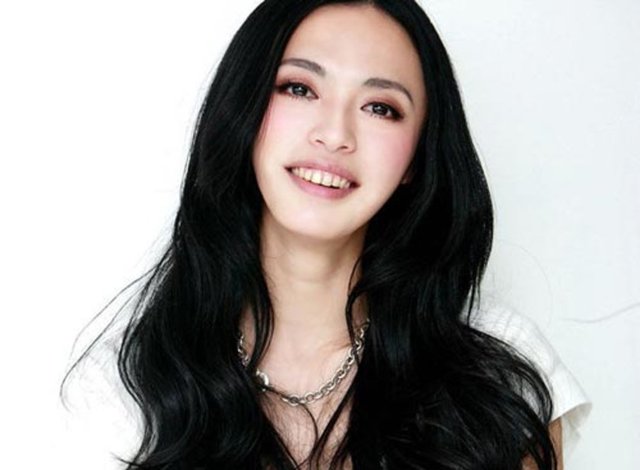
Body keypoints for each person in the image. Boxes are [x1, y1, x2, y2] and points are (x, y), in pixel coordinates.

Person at [65, 0, 590, 468]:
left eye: (381, 108)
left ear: (416, 157)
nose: (335, 134)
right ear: (245, 110)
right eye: (299, 88)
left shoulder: (499, 373)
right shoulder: (127, 385)